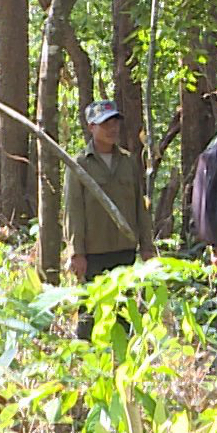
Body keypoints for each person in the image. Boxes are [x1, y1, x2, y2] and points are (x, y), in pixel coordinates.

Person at [64, 99, 155, 340]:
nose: (112, 128)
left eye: (115, 122)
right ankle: (84, 359)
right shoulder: (80, 164)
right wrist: (77, 252)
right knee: (90, 311)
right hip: (94, 252)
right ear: (92, 126)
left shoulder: (127, 162)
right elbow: (73, 211)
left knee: (123, 311)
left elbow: (139, 207)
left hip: (124, 250)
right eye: (106, 123)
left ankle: (121, 359)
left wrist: (147, 246)